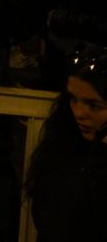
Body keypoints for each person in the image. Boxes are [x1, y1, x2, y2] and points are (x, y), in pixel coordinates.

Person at [24, 50, 107, 241]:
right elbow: (54, 223)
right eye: (73, 99)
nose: (79, 112)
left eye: (94, 105)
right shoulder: (64, 146)